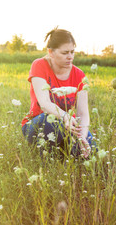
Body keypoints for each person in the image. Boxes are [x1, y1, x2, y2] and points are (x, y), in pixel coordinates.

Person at [22, 28, 96, 159]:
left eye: (72, 52)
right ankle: (47, 160)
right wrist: (66, 117)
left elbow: (83, 114)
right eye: (65, 53)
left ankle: (69, 153)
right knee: (48, 122)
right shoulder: (39, 65)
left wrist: (82, 137)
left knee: (91, 148)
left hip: (68, 125)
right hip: (38, 124)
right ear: (51, 52)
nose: (70, 56)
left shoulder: (79, 75)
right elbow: (44, 104)